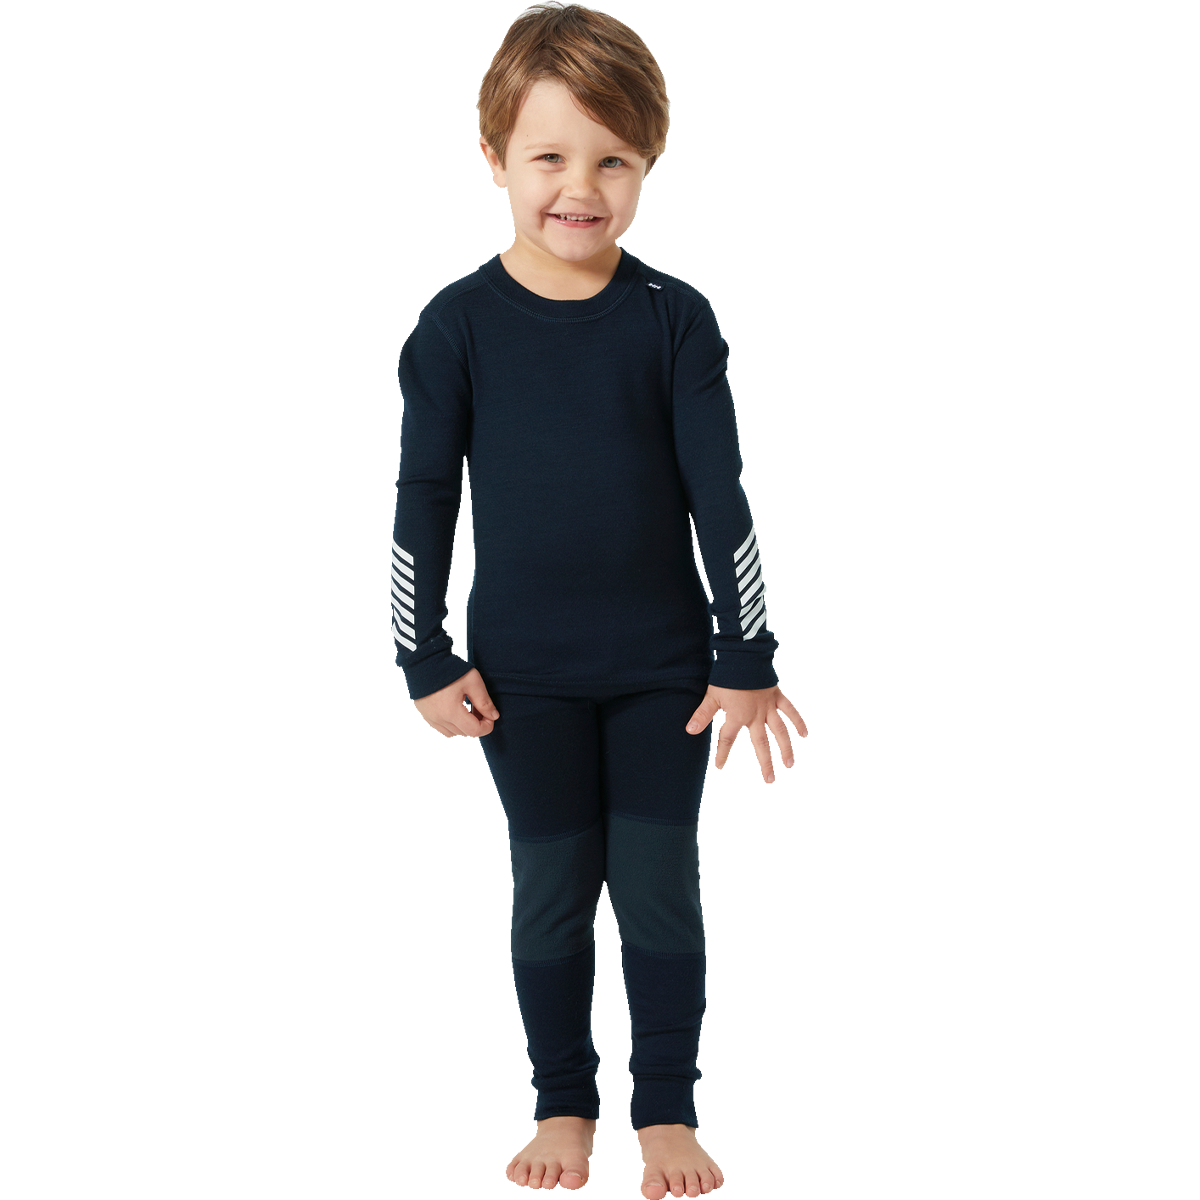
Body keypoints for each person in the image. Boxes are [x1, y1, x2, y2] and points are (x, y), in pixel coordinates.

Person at [391, 6, 804, 1197]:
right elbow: (422, 494)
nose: (581, 187)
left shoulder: (675, 320)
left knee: (661, 885)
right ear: (495, 161)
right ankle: (561, 1102)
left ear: (646, 167)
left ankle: (662, 1111)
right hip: (522, 675)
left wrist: (746, 659)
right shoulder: (458, 329)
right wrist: (425, 658)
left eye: (613, 159)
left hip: (665, 671)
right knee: (553, 888)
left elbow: (722, 498)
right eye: (551, 156)